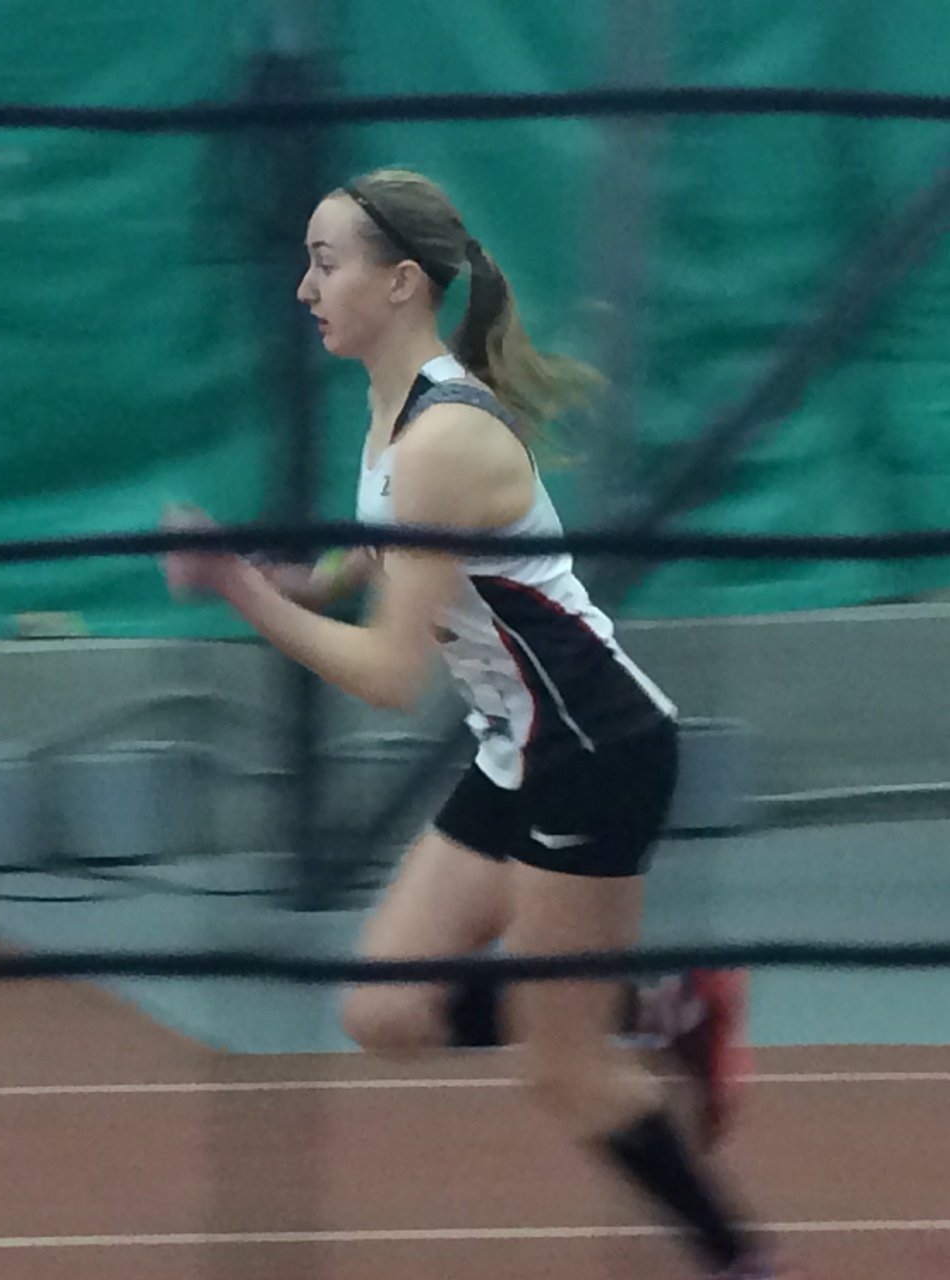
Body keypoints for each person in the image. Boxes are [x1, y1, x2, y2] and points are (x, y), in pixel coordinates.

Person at [164, 168, 793, 1279]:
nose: (303, 287)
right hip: (518, 749)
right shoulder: (393, 413)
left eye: (325, 263)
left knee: (562, 1070)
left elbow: (388, 676)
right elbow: (376, 555)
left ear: (401, 283)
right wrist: (278, 575)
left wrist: (241, 596)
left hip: (594, 753)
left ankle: (741, 1258)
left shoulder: (441, 442)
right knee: (383, 1012)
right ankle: (663, 1003)